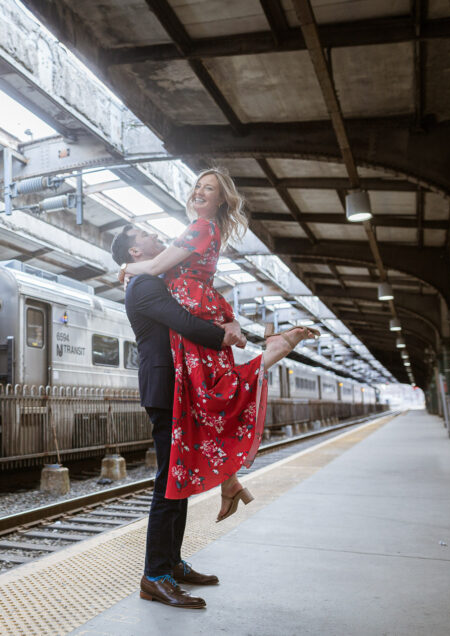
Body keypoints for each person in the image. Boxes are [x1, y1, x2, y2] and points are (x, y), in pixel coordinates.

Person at [120, 169, 317, 522]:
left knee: (212, 396)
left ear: (221, 199)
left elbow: (156, 265)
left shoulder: (200, 228)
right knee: (206, 401)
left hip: (196, 309)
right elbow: (158, 267)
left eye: (208, 188)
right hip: (200, 307)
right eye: (197, 186)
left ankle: (270, 354)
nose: (199, 191)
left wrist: (126, 266)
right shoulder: (201, 230)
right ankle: (230, 482)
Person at [112, 224, 246, 609]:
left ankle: (171, 564)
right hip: (165, 391)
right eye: (145, 236)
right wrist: (226, 336)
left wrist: (229, 322)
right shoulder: (145, 286)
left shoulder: (150, 279)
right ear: (135, 253)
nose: (155, 236)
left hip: (175, 389)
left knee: (178, 481)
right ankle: (154, 576)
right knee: (167, 485)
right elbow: (185, 322)